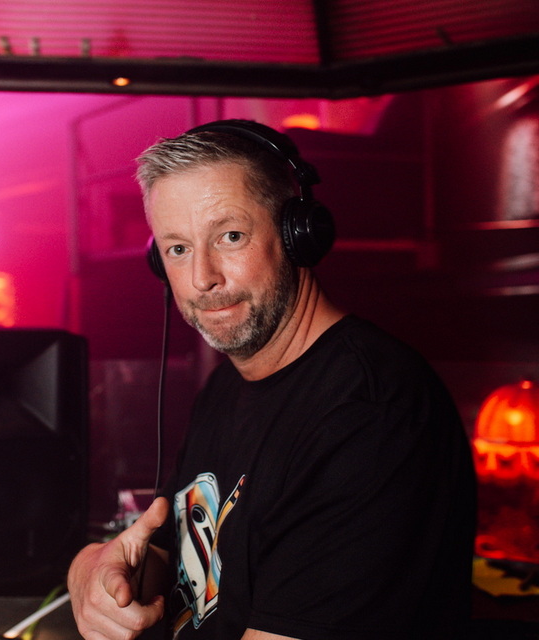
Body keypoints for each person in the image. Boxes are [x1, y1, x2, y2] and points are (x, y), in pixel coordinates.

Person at [68, 120, 476, 640]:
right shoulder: (227, 387)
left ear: (297, 235)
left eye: (230, 236)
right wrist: (88, 569)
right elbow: (170, 562)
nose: (202, 278)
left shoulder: (371, 414)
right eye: (178, 249)